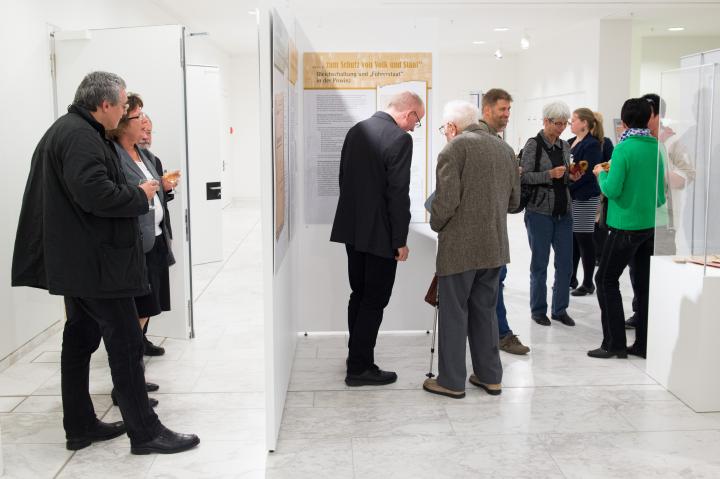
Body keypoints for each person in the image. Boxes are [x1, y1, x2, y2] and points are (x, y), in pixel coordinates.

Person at [11, 71, 199, 454]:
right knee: (127, 342)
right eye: (124, 102)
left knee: (79, 341)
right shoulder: (80, 136)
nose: (127, 110)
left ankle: (79, 426)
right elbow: (95, 195)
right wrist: (140, 193)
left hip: (79, 262)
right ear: (105, 104)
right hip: (96, 265)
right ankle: (145, 433)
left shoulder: (67, 130)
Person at [423, 100, 520, 399]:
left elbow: (446, 202)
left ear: (452, 127)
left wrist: (436, 221)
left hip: (460, 248)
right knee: (485, 312)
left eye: (443, 128)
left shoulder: (454, 149)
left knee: (454, 313)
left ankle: (451, 381)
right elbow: (515, 203)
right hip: (494, 247)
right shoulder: (504, 149)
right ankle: (491, 376)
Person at [330, 91, 425, 387]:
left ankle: (355, 356)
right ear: (408, 114)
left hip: (352, 230)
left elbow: (343, 178)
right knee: (374, 299)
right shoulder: (400, 139)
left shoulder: (356, 130)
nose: (413, 128)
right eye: (417, 121)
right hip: (380, 235)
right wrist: (400, 240)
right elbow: (398, 194)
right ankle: (359, 368)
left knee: (358, 294)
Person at [107, 93, 179, 407]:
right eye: (138, 117)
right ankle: (126, 385)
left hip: (155, 243)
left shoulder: (143, 154)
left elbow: (150, 192)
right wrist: (142, 192)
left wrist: (162, 188)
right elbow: (117, 197)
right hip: (134, 247)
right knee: (131, 320)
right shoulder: (112, 155)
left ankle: (133, 378)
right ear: (124, 124)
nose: (144, 123)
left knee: (145, 312)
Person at [589, 98, 665, 359]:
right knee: (643, 286)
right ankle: (643, 345)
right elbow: (660, 196)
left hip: (624, 226)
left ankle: (614, 343)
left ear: (623, 122)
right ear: (648, 119)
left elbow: (612, 190)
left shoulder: (623, 149)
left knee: (605, 280)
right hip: (649, 226)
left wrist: (601, 173)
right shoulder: (655, 147)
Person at [478, 88, 530, 355]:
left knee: (491, 284)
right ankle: (499, 335)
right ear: (487, 110)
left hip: (487, 233)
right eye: (503, 109)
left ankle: (495, 334)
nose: (507, 115)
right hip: (487, 235)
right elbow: (513, 202)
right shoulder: (499, 149)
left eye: (509, 109)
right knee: (492, 283)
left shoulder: (470, 142)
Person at [521, 101, 581, 327]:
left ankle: (560, 309)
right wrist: (549, 174)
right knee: (540, 263)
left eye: (565, 123)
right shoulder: (533, 145)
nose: (562, 128)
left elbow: (563, 176)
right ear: (545, 121)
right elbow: (524, 176)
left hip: (564, 212)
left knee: (565, 264)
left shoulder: (565, 146)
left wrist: (570, 176)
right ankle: (538, 310)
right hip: (539, 213)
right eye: (557, 123)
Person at [136, 113, 177, 356]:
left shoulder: (153, 160)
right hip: (141, 242)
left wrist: (166, 188)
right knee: (142, 299)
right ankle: (135, 343)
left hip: (159, 237)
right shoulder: (121, 160)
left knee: (153, 298)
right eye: (142, 130)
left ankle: (142, 340)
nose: (146, 136)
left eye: (150, 132)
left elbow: (159, 197)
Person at [568, 108, 604, 296]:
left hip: (585, 197)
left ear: (584, 123)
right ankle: (571, 277)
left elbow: (587, 174)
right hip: (572, 196)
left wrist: (569, 186)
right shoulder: (569, 142)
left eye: (574, 120)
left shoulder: (591, 145)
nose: (570, 123)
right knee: (573, 240)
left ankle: (588, 282)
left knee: (584, 239)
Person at [592, 112, 614, 267]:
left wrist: (600, 171)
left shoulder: (605, 143)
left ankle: (600, 255)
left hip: (600, 189)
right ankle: (596, 254)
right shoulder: (574, 142)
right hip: (591, 189)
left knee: (599, 225)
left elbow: (610, 165)